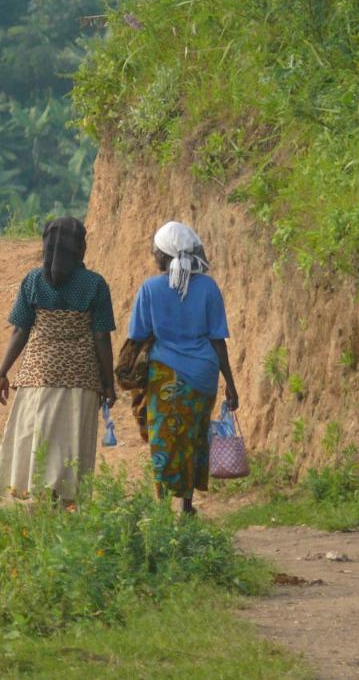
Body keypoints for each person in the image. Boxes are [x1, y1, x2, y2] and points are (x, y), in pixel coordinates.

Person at [117, 220, 238, 515]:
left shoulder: (150, 289)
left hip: (164, 375)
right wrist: (230, 385)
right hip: (203, 377)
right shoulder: (209, 288)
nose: (153, 255)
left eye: (156, 251)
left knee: (165, 439)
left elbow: (138, 334)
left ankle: (162, 505)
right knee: (193, 437)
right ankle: (186, 505)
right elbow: (218, 340)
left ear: (167, 254)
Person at [0, 217, 116, 504]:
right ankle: (66, 502)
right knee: (71, 443)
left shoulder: (33, 280)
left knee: (35, 440)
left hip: (38, 377)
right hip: (82, 379)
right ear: (80, 248)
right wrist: (108, 384)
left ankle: (31, 496)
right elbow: (101, 338)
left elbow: (20, 329)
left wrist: (2, 372)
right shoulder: (95, 285)